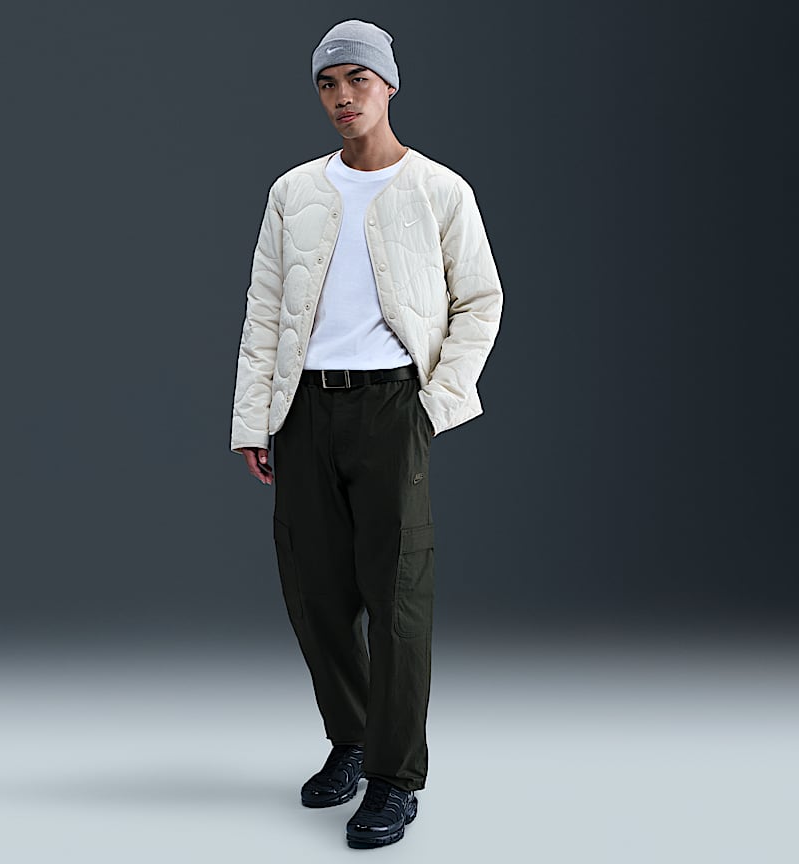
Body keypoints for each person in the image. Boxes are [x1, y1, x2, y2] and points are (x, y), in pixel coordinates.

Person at [230, 19, 503, 849]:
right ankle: (351, 741)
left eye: (357, 79)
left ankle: (393, 777)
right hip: (304, 409)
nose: (342, 97)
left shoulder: (439, 190)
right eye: (327, 83)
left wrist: (434, 404)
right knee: (315, 595)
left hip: (392, 409)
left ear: (389, 84)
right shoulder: (293, 192)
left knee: (397, 598)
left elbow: (480, 301)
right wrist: (255, 417)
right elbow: (265, 309)